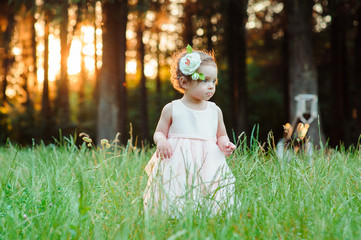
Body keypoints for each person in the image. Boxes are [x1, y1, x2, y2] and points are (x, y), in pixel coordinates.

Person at [143, 45, 236, 217]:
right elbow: (159, 132)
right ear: (184, 82)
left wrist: (225, 144)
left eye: (213, 81)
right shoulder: (172, 108)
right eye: (204, 80)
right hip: (177, 160)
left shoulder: (214, 110)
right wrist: (162, 141)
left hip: (208, 161)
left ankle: (207, 218)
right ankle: (174, 217)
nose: (211, 86)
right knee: (176, 188)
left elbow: (220, 135)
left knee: (207, 189)